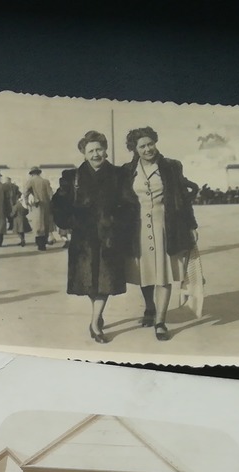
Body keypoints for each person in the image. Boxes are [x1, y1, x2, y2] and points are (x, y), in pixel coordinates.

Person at [51, 131, 138, 343]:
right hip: (84, 241)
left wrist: (116, 223)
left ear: (106, 150)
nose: (96, 154)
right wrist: (69, 223)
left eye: (99, 149)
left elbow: (130, 204)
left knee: (105, 282)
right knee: (91, 283)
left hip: (110, 239)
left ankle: (94, 322)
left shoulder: (118, 175)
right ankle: (97, 314)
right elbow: (58, 204)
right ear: (84, 154)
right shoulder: (72, 178)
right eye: (91, 151)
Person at [121, 127, 198, 340]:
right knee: (144, 274)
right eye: (142, 146)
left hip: (164, 226)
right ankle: (149, 307)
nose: (148, 149)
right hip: (137, 228)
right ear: (134, 149)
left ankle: (160, 322)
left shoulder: (171, 167)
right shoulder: (127, 171)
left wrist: (191, 225)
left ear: (156, 142)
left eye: (150, 144)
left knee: (163, 274)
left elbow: (182, 198)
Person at [24, 167, 55, 251]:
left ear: (32, 173)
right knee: (46, 224)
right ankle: (44, 243)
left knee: (38, 225)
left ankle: (40, 245)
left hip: (38, 205)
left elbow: (26, 192)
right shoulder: (45, 181)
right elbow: (51, 194)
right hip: (47, 205)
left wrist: (26, 202)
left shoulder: (31, 181)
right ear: (39, 173)